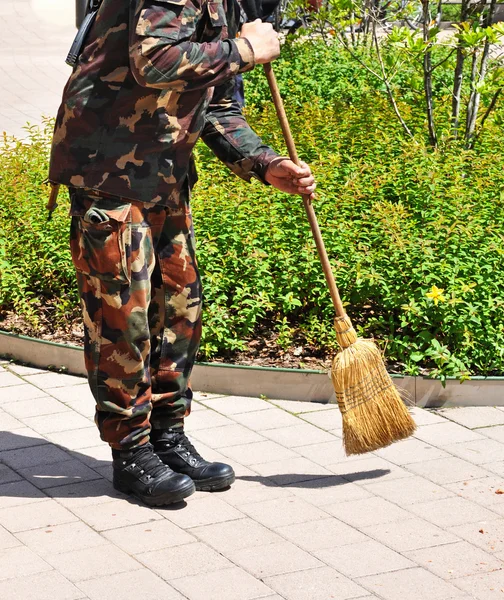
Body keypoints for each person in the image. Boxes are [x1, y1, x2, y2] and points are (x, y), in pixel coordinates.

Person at [48, 0, 316, 507]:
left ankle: (168, 437)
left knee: (180, 306)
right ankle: (131, 451)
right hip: (108, 173)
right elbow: (155, 59)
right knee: (122, 316)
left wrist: (264, 162)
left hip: (165, 176)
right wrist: (244, 49)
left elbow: (216, 103)